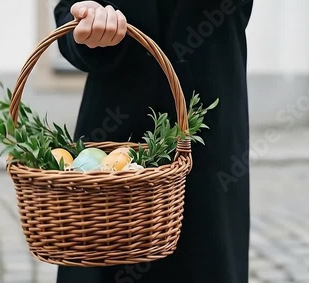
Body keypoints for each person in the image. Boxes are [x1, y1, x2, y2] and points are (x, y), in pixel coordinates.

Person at [53, 1, 253, 283]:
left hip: (207, 133)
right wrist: (86, 29)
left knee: (207, 260)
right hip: (113, 135)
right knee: (103, 260)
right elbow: (67, 13)